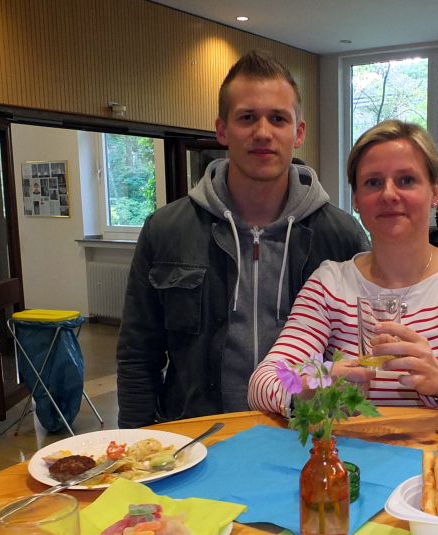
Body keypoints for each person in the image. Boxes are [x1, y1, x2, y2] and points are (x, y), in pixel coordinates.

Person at [117, 50, 370, 427]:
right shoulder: (166, 230)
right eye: (247, 117)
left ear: (298, 132)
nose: (263, 132)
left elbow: (361, 355)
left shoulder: (341, 236)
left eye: (278, 118)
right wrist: (136, 442)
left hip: (306, 438)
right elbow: (138, 355)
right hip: (199, 440)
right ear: (222, 130)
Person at [249, 120, 438, 417]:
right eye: (373, 183)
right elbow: (262, 384)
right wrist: (314, 386)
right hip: (350, 448)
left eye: (406, 180)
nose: (389, 194)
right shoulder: (330, 283)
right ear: (356, 199)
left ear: (435, 191)